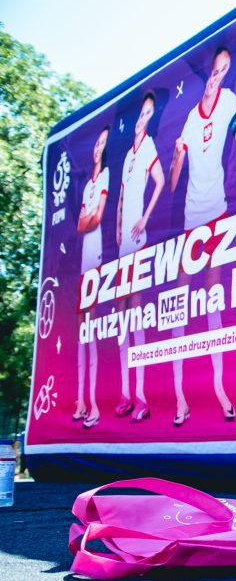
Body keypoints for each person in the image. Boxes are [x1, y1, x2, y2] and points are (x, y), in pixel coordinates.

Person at [167, 46, 236, 426]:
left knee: (213, 301)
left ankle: (219, 389)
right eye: (214, 71)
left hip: (217, 213)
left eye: (223, 71)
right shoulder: (189, 118)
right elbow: (172, 183)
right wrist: (176, 158)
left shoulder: (230, 101)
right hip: (191, 220)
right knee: (180, 304)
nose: (217, 77)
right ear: (207, 73)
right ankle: (180, 397)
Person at [115, 92, 164, 423]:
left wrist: (144, 218)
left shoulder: (148, 147)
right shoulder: (128, 156)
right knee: (121, 320)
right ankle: (125, 393)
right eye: (141, 113)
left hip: (139, 241)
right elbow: (120, 195)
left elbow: (158, 182)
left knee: (136, 317)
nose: (142, 118)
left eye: (148, 114)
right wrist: (118, 225)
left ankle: (142, 396)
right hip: (123, 246)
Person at [74, 126, 110, 429]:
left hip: (96, 260)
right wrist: (86, 218)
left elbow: (96, 218)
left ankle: (95, 405)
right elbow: (79, 225)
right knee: (80, 334)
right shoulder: (88, 185)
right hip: (83, 263)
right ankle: (80, 402)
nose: (98, 147)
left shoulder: (106, 176)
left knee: (91, 331)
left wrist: (87, 218)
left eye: (103, 144)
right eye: (97, 143)